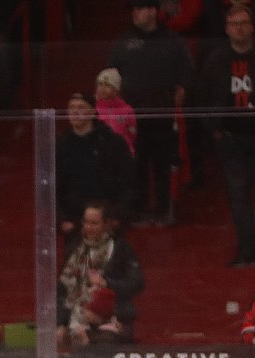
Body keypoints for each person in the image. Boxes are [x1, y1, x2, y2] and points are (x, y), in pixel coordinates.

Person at [198, 4, 255, 267]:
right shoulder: (215, 60)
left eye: (244, 23)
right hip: (230, 139)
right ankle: (247, 251)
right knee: (238, 197)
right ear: (226, 29)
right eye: (234, 23)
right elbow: (201, 99)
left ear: (252, 26)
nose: (239, 28)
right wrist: (214, 130)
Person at [108, 0, 191, 227]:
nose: (135, 13)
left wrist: (181, 90)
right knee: (137, 164)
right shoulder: (123, 42)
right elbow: (111, 74)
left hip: (163, 114)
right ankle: (140, 210)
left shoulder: (173, 41)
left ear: (153, 11)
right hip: (131, 118)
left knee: (163, 164)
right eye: (133, 9)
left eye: (140, 8)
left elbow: (186, 74)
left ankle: (165, 209)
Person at [56, 202, 144, 346]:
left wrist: (107, 283)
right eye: (86, 222)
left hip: (111, 320)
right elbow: (62, 291)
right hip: (77, 319)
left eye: (94, 223)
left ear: (106, 224)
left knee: (104, 342)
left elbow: (137, 283)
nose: (88, 227)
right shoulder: (75, 250)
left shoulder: (121, 250)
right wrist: (60, 324)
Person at [56, 92, 137, 237]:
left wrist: (117, 216)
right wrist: (61, 219)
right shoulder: (61, 144)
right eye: (71, 107)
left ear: (93, 111)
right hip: (74, 221)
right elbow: (54, 185)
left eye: (81, 107)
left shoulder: (112, 142)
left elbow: (128, 181)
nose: (75, 111)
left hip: (108, 219)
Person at [94, 67, 136, 155]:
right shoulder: (92, 109)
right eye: (100, 84)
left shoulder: (127, 110)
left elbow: (132, 134)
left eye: (107, 85)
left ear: (116, 90)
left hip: (122, 153)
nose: (102, 88)